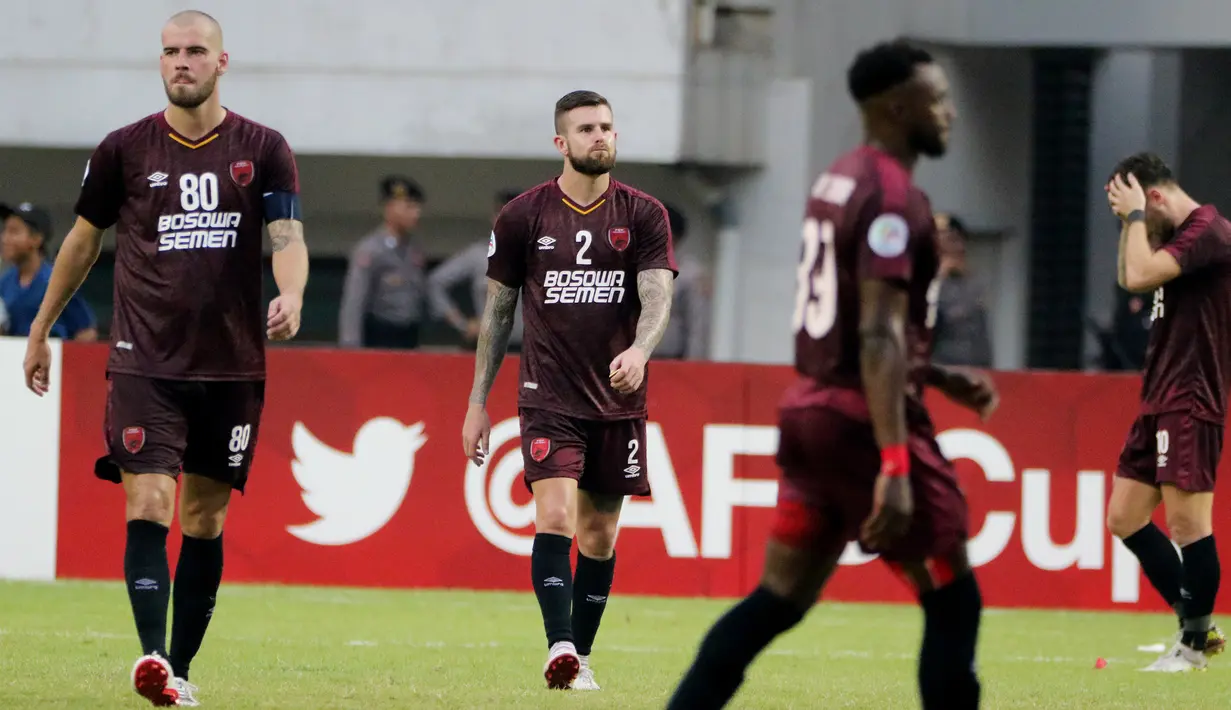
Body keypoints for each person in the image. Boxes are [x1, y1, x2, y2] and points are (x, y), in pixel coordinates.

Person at [666, 39, 997, 710]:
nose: (950, 113)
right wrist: (896, 466)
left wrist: (933, 373)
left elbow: (853, 325)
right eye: (937, 99)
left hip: (810, 410)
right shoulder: (892, 198)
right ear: (896, 107)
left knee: (778, 599)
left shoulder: (838, 178)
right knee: (953, 600)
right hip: (861, 421)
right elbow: (875, 334)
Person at [21, 10, 308, 706]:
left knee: (204, 521)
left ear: (221, 61)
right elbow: (83, 243)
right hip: (144, 361)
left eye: (195, 51)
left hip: (232, 365)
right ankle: (150, 653)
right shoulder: (124, 149)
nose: (182, 62)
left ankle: (175, 671)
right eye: (170, 52)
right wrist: (41, 329)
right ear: (160, 63)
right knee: (149, 499)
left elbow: (288, 234)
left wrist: (293, 293)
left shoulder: (263, 147)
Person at [460, 89, 677, 691]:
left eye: (607, 127)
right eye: (586, 129)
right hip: (547, 394)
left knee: (600, 533)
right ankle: (559, 645)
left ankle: (578, 656)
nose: (600, 136)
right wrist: (478, 403)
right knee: (554, 514)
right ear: (561, 142)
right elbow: (498, 314)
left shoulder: (643, 214)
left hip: (618, 399)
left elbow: (658, 294)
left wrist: (639, 348)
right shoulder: (524, 217)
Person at [1104, 152, 1230, 672]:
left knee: (1188, 524)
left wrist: (1136, 218)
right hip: (1158, 396)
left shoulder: (1208, 232)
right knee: (1124, 517)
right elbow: (1128, 275)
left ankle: (1192, 649)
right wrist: (1129, 220)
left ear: (1154, 196)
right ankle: (1194, 622)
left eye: (1134, 209)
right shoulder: (1173, 238)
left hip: (1191, 396)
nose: (1133, 226)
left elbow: (1138, 276)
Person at [427, 189, 525, 350]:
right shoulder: (478, 255)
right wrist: (463, 324)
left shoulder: (538, 255)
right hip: (488, 346)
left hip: (527, 348)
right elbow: (435, 282)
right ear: (494, 218)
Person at [338, 176, 429, 349]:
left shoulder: (412, 248)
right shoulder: (370, 250)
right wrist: (350, 349)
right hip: (380, 337)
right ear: (389, 208)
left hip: (409, 337)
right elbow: (354, 303)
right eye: (409, 207)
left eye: (417, 207)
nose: (416, 213)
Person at [0, 202, 98, 341]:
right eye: (5, 231)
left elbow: (86, 332)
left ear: (36, 239)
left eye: (14, 231)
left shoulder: (58, 280)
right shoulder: (5, 283)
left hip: (52, 358)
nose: (5, 238)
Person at [655, 202, 711, 360]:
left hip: (670, 361)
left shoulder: (690, 274)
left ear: (676, 237)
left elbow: (698, 327)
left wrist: (693, 369)